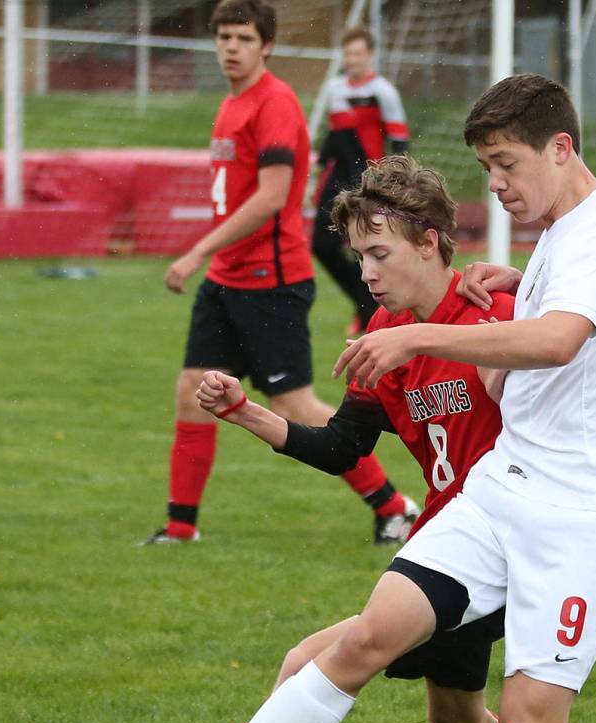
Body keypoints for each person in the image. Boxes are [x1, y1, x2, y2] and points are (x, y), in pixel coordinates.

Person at [87, 75, 596, 723]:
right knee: (361, 638)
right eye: (486, 169)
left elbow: (559, 341)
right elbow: (525, 323)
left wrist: (420, 328)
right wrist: (513, 275)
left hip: (582, 505)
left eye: (506, 164)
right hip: (500, 486)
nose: (498, 185)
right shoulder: (559, 233)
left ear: (562, 147)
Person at [89, 154, 577, 723]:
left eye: (378, 253)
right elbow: (343, 444)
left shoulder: (497, 319)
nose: (367, 271)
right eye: (358, 256)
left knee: (310, 660)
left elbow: (576, 344)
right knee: (456, 717)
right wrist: (246, 412)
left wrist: (523, 287)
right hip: (450, 540)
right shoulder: (386, 331)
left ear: (430, 242)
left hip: (509, 545)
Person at [144, 0, 416, 546]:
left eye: (243, 38)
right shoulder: (231, 103)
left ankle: (393, 506)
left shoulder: (275, 104)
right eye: (223, 37)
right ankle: (180, 529)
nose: (231, 47)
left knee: (295, 405)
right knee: (192, 388)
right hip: (228, 281)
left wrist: (196, 252)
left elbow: (271, 198)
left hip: (271, 283)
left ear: (266, 45)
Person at [312, 26, 409, 335]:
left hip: (368, 179)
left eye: (357, 53)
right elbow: (335, 137)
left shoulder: (384, 91)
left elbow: (399, 140)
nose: (352, 59)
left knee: (370, 246)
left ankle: (377, 310)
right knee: (320, 244)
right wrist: (316, 169)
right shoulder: (335, 89)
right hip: (338, 178)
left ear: (370, 55)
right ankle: (363, 303)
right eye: (348, 53)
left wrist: (394, 181)